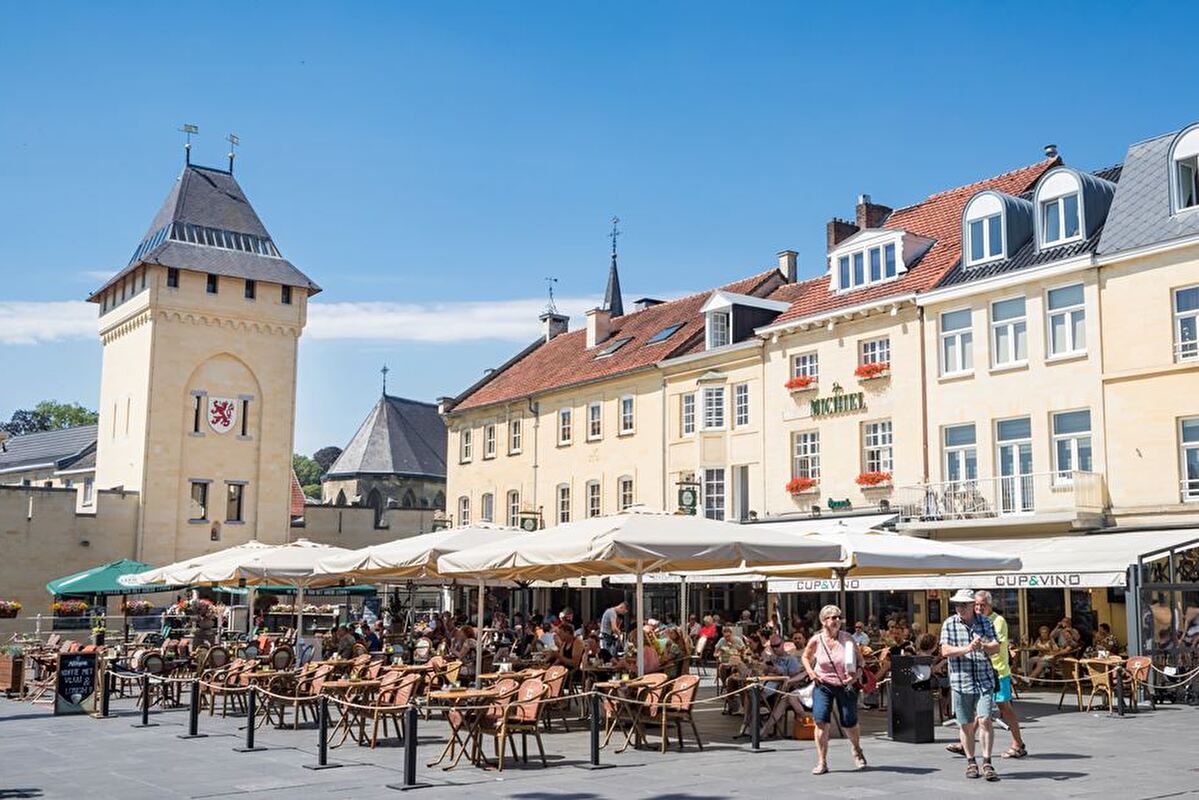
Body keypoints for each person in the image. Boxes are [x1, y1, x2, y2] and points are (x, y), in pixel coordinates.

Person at [946, 591, 1026, 760]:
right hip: (978, 673)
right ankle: (966, 743)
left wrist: (980, 644)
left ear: (990, 605)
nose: (979, 608)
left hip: (998, 670)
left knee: (1004, 708)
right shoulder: (962, 622)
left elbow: (997, 644)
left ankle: (1018, 743)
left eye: (982, 605)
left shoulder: (997, 621)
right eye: (976, 604)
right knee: (983, 713)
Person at [940, 588, 1001, 782]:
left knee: (985, 720)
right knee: (966, 725)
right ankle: (971, 761)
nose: (959, 608)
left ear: (972, 605)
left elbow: (996, 646)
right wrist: (967, 648)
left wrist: (983, 646)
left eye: (963, 604)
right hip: (961, 681)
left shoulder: (985, 622)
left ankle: (987, 762)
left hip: (984, 679)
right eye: (957, 605)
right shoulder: (949, 623)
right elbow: (945, 651)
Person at [801, 604, 866, 775]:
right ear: (823, 621)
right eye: (832, 618)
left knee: (849, 721)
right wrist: (811, 673)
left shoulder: (848, 638)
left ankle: (856, 748)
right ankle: (822, 761)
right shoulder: (816, 640)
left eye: (838, 617)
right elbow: (805, 657)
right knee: (821, 721)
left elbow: (861, 661)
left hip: (846, 684)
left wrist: (857, 675)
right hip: (823, 684)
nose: (836, 620)